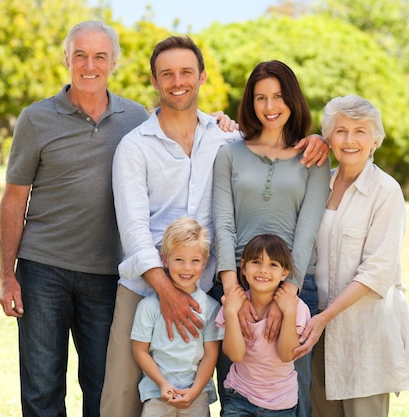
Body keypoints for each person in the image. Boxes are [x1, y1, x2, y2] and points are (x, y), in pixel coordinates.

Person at [100, 36, 329, 417]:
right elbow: (134, 231)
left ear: (202, 77)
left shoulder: (224, 136)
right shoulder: (134, 146)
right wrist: (168, 290)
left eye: (186, 72)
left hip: (212, 288)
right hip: (148, 286)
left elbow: (272, 150)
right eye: (167, 74)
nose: (178, 81)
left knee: (239, 390)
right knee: (125, 394)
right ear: (154, 81)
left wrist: (318, 137)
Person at [0, 21, 151, 417]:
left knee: (103, 388)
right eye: (79, 54)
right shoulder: (36, 119)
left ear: (113, 62)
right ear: (66, 58)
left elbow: (184, 128)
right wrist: (6, 275)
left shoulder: (136, 118)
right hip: (42, 270)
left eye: (100, 56)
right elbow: (14, 200)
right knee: (42, 387)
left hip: (106, 274)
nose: (89, 64)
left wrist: (222, 120)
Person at [212, 59, 329, 416]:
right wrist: (233, 292)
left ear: (292, 100)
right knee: (237, 395)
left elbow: (308, 228)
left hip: (295, 289)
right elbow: (223, 224)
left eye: (278, 96)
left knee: (293, 399)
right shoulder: (228, 153)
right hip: (237, 287)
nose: (270, 106)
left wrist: (287, 294)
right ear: (250, 102)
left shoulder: (313, 157)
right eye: (260, 97)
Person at [294, 95, 409, 417]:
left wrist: (324, 317)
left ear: (375, 140)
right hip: (314, 327)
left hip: (364, 332)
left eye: (360, 131)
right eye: (340, 131)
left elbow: (377, 271)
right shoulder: (318, 182)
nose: (350, 140)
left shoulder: (387, 191)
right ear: (328, 138)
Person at [131, 217, 223, 417]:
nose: (187, 268)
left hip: (196, 396)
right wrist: (163, 384)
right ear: (165, 259)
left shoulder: (211, 308)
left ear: (205, 261)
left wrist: (195, 391)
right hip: (157, 394)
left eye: (195, 260)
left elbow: (210, 354)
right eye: (179, 259)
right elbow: (140, 351)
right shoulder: (148, 307)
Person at [217, 234, 311, 417]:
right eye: (256, 262)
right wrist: (230, 311)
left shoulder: (297, 308)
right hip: (239, 398)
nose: (263, 270)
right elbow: (235, 355)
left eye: (273, 264)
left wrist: (289, 313)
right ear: (243, 267)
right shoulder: (234, 304)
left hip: (280, 404)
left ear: (285, 272)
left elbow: (287, 355)